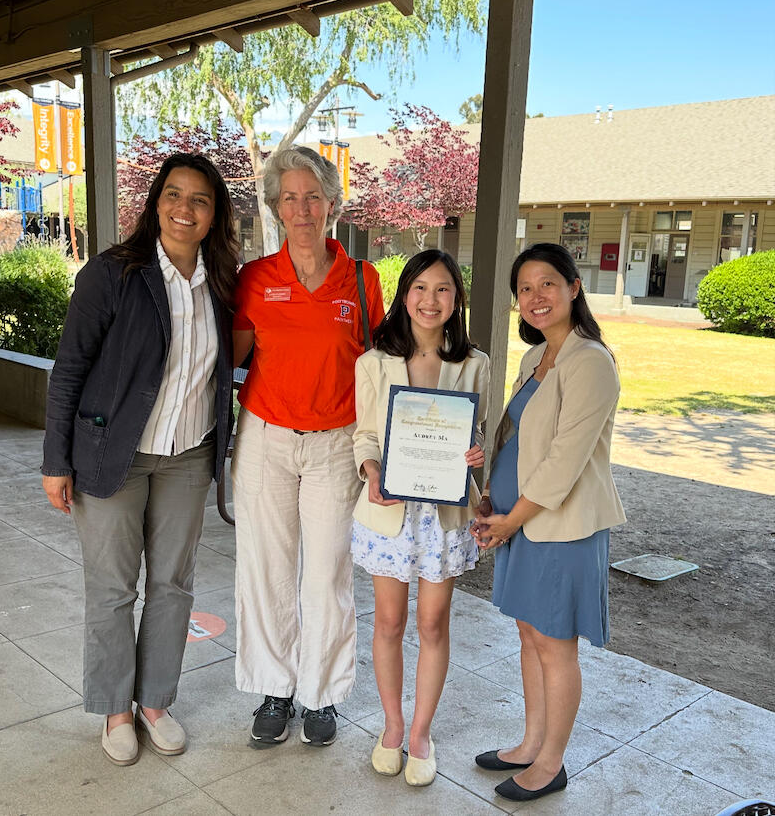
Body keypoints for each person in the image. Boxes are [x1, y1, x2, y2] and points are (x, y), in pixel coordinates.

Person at [41, 153, 239, 767]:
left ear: (214, 216)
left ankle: (155, 702)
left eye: (200, 200)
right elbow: (70, 366)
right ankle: (115, 710)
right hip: (111, 455)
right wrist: (56, 459)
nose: (185, 209)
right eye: (174, 195)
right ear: (156, 203)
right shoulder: (113, 273)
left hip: (187, 455)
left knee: (174, 585)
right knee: (111, 588)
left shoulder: (226, 283)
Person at [232, 146, 385, 747]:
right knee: (266, 569)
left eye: (312, 197)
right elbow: (232, 359)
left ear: (331, 205)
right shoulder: (255, 278)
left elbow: (380, 366)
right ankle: (275, 686)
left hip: (335, 444)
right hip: (266, 438)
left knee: (326, 574)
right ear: (275, 207)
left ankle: (321, 695)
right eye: (289, 197)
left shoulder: (361, 279)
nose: (301, 209)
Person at [471, 242, 625, 803]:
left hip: (560, 529)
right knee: (529, 633)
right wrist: (490, 497)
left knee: (556, 644)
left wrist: (510, 520)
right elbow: (514, 440)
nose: (535, 297)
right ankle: (530, 742)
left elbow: (564, 461)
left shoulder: (591, 362)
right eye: (525, 289)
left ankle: (552, 762)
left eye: (547, 284)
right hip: (519, 521)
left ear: (574, 288)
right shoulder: (534, 359)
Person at [351, 250, 489, 786]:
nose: (431, 300)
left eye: (444, 290)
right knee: (388, 622)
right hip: (391, 511)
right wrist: (370, 469)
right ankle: (391, 726)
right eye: (421, 288)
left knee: (432, 623)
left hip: (445, 516)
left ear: (457, 301)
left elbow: (477, 431)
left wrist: (475, 453)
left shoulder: (473, 362)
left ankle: (421, 733)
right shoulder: (374, 362)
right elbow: (363, 434)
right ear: (404, 293)